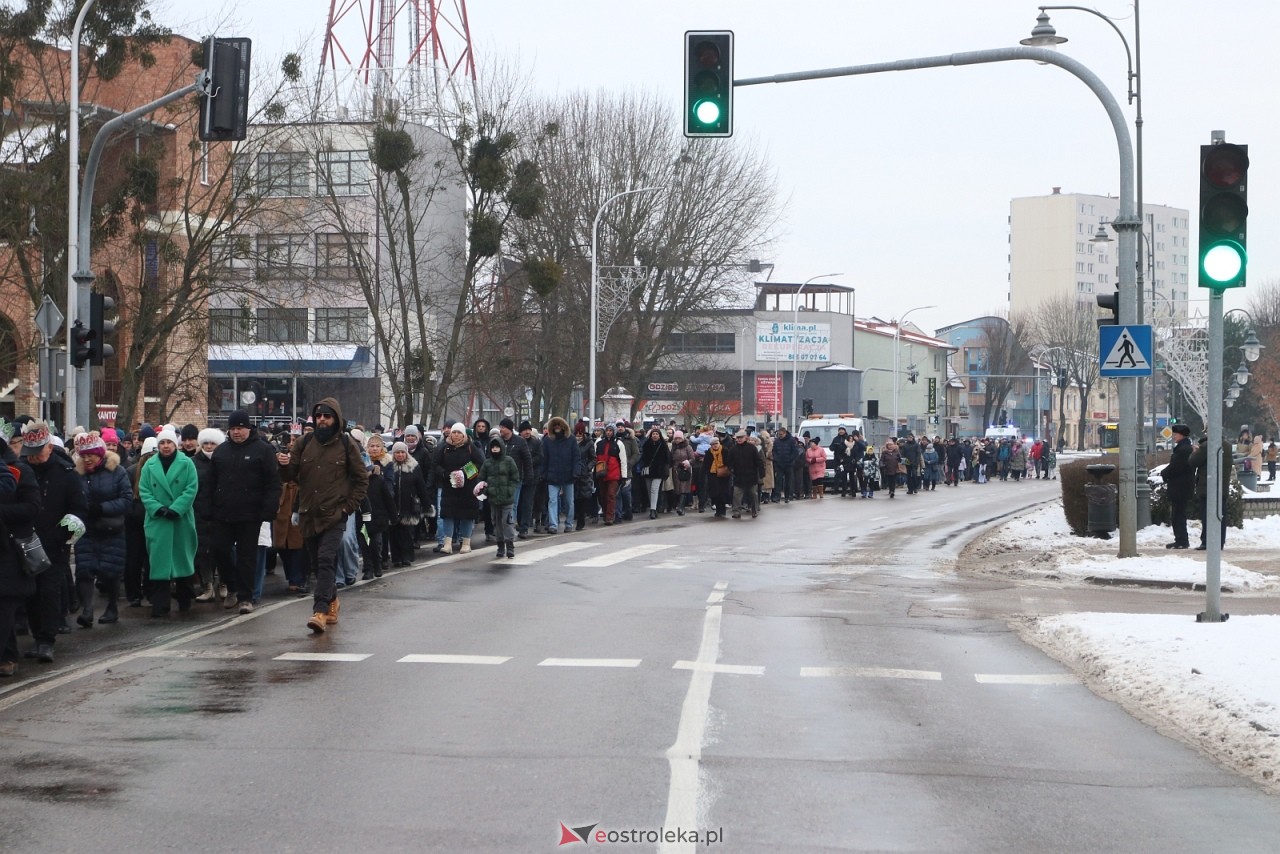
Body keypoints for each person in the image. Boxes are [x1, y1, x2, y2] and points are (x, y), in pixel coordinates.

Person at [277, 398, 369, 635]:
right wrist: (283, 463)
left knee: (326, 558)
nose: (322, 420)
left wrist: (348, 508)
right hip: (309, 514)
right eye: (318, 416)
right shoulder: (304, 442)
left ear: (335, 419)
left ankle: (320, 611)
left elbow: (361, 480)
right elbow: (290, 475)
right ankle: (333, 600)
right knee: (318, 564)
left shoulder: (347, 444)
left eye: (326, 416)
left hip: (335, 514)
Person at [20, 422, 87, 663]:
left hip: (54, 544)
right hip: (25, 543)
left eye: (39, 451)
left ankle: (47, 640)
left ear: (49, 447)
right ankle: (37, 635)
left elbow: (79, 509)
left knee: (48, 592)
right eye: (31, 453)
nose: (35, 457)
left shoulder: (65, 473)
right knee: (31, 594)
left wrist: (62, 538)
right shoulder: (22, 470)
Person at [208, 410, 282, 614]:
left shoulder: (263, 450)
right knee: (219, 550)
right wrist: (209, 508)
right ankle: (231, 586)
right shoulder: (221, 452)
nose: (236, 432)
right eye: (232, 429)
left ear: (248, 428)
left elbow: (273, 483)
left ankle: (245, 598)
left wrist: (269, 509)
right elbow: (211, 483)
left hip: (251, 513)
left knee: (246, 556)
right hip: (223, 512)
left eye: (239, 428)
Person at [73, 432, 133, 627]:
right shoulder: (78, 474)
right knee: (84, 569)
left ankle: (112, 607)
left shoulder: (117, 471)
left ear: (100, 454)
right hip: (87, 530)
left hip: (111, 529)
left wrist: (102, 508)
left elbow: (126, 500)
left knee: (110, 571)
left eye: (91, 455)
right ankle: (87, 610)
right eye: (83, 455)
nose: (87, 459)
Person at [138, 428, 199, 617]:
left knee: (182, 558)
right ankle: (160, 603)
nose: (166, 446)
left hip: (180, 519)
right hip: (158, 521)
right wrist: (158, 508)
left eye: (169, 443)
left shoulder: (187, 463)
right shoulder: (149, 466)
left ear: (175, 444)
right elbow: (144, 490)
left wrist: (176, 508)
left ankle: (184, 598)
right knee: (159, 562)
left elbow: (191, 488)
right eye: (162, 443)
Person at [0, 432, 29, 678]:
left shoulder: (18, 471)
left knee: (5, 605)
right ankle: (7, 655)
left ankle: (8, 655)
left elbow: (32, 508)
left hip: (10, 547)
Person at [433, 422, 484, 554]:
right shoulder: (444, 448)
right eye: (454, 432)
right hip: (449, 487)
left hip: (467, 488)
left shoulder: (471, 448)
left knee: (466, 515)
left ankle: (466, 542)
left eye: (459, 433)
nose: (456, 435)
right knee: (448, 515)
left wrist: (465, 473)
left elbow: (479, 464)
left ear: (464, 434)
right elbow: (436, 465)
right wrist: (445, 474)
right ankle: (447, 543)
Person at [477, 433, 520, 558]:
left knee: (507, 522)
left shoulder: (508, 461)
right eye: (493, 447)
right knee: (497, 523)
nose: (495, 449)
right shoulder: (487, 463)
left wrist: (509, 490)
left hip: (507, 499)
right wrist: (486, 491)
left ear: (501, 447)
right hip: (493, 499)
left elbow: (515, 477)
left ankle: (510, 545)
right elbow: (481, 479)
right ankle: (500, 546)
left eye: (497, 447)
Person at [386, 441, 429, 566]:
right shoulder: (389, 467)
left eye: (402, 452)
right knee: (393, 533)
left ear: (406, 453)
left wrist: (426, 505)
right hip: (392, 506)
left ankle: (407, 557)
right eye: (397, 453)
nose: (400, 455)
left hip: (408, 505)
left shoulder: (414, 467)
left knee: (406, 533)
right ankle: (396, 558)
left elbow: (421, 486)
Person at [1190, 435, 1230, 551]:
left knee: (1207, 515)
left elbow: (1193, 461)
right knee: (1220, 515)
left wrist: (1195, 452)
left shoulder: (1207, 446)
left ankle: (1207, 541)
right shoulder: (1227, 445)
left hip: (1207, 487)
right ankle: (1220, 541)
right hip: (1222, 487)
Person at [1160, 423, 1195, 549]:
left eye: (1175, 434)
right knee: (1178, 514)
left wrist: (1164, 473)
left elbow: (1176, 467)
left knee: (1178, 514)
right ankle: (1180, 539)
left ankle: (1181, 540)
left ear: (1182, 435)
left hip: (1180, 487)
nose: (1174, 436)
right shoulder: (1184, 447)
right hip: (1181, 487)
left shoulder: (1183, 450)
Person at [541, 416, 577, 534]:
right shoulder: (547, 441)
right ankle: (553, 525)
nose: (557, 427)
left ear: (563, 427)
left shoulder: (571, 439)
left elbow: (576, 457)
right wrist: (544, 473)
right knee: (552, 500)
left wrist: (576, 472)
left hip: (568, 475)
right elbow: (544, 459)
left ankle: (569, 523)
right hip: (552, 475)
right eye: (555, 425)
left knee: (569, 501)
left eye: (559, 425)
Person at [726, 429, 765, 518]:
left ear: (745, 438)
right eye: (738, 438)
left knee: (753, 494)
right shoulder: (733, 449)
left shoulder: (752, 448)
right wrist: (731, 469)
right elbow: (729, 461)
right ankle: (737, 512)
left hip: (751, 476)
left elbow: (759, 461)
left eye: (741, 437)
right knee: (736, 495)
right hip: (738, 476)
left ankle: (754, 510)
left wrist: (761, 472)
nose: (739, 439)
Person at [636, 425, 672, 519]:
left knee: (654, 490)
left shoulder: (663, 445)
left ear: (659, 435)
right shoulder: (646, 444)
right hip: (648, 471)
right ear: (651, 435)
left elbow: (668, 459)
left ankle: (652, 510)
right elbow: (642, 457)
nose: (655, 435)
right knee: (649, 491)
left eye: (656, 434)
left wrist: (665, 468)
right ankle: (654, 508)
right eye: (653, 434)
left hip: (658, 472)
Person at [594, 424, 627, 526]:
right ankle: (605, 513)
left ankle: (610, 517)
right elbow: (594, 458)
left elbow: (623, 461)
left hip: (614, 474)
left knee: (611, 495)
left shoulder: (619, 443)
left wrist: (624, 475)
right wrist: (593, 472)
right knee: (603, 496)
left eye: (610, 430)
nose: (609, 432)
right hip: (601, 473)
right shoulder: (599, 443)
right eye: (607, 430)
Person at [701, 435, 732, 518]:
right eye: (713, 444)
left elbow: (729, 462)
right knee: (715, 494)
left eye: (716, 443)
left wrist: (728, 470)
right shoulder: (709, 452)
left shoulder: (725, 451)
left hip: (723, 476)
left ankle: (723, 510)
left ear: (719, 443)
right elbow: (705, 465)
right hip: (713, 475)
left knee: (723, 493)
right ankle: (718, 510)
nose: (715, 445)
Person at [669, 430, 696, 516]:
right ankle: (679, 505)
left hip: (685, 469)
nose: (677, 440)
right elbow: (670, 457)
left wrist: (688, 462)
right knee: (677, 489)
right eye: (676, 438)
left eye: (679, 438)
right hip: (676, 469)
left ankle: (681, 507)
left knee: (684, 488)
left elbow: (692, 458)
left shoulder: (688, 447)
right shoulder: (673, 447)